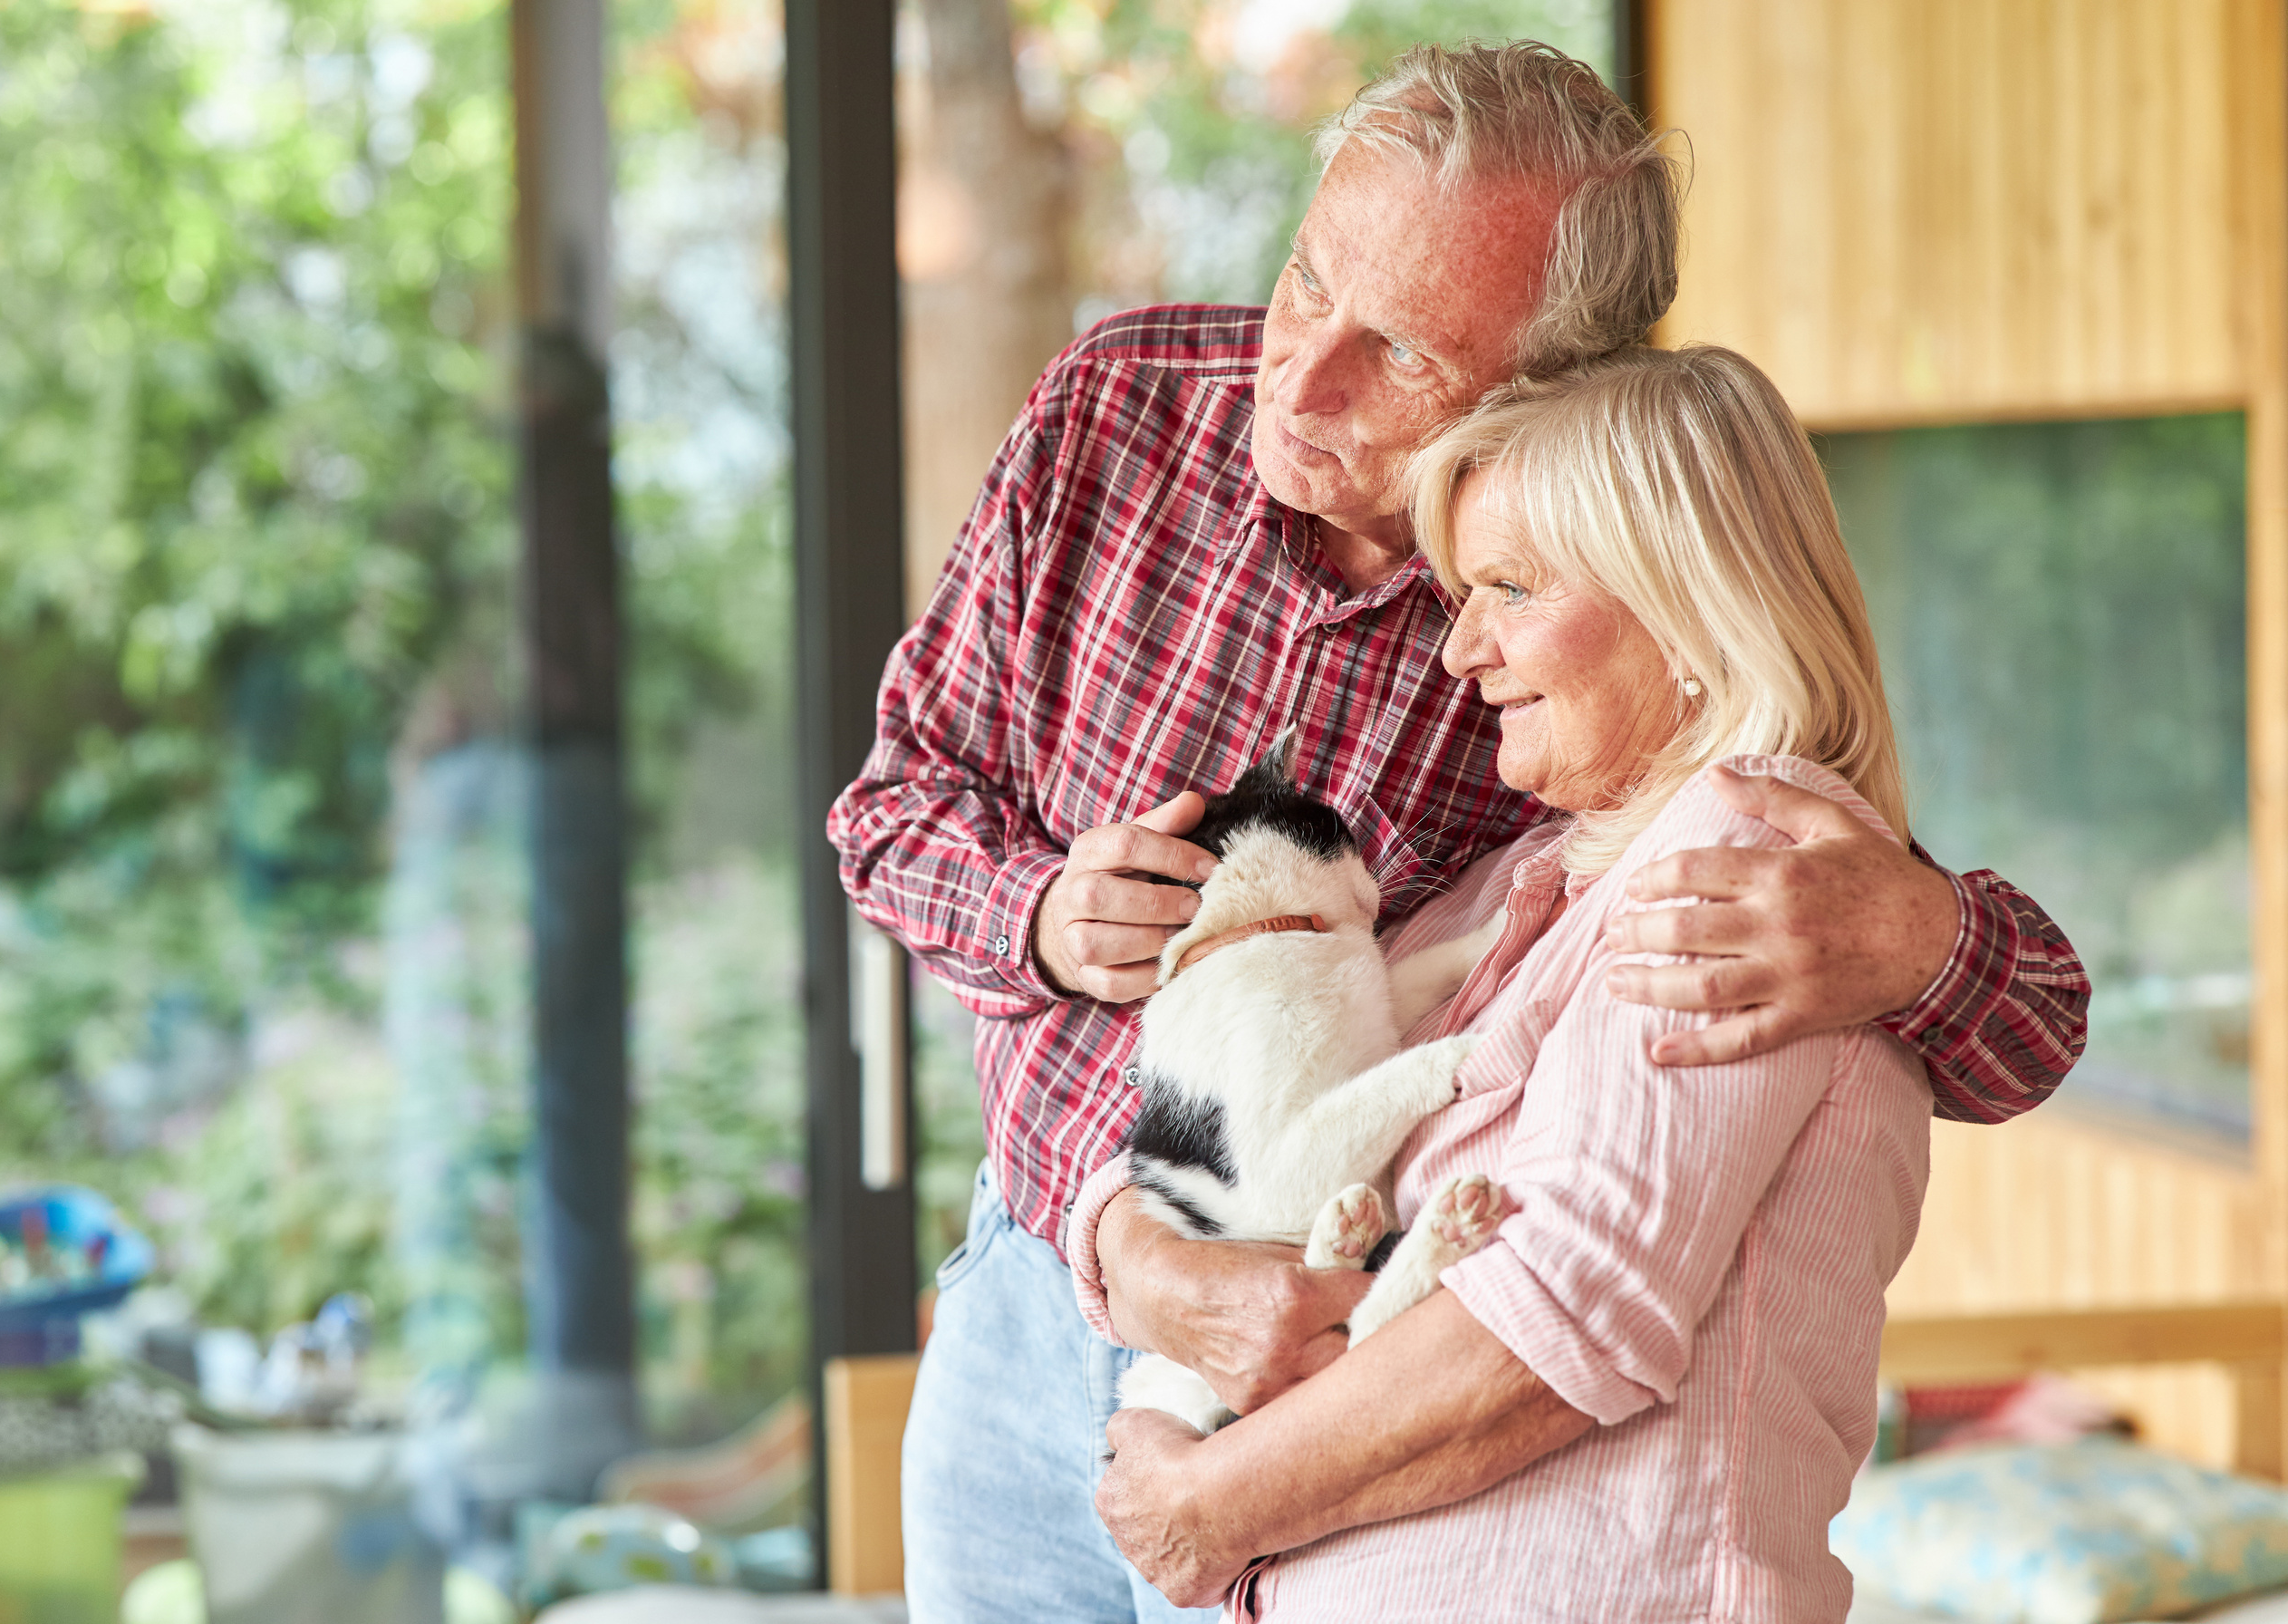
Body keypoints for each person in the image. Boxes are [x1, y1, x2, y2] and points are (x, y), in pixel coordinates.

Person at [827, 43, 2089, 1624]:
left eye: (1401, 351)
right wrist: (1035, 926)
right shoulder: (1119, 408)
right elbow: (890, 809)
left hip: (1326, 1368)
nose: (1299, 379)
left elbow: (1978, 1016)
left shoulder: (1591, 606)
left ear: (1552, 386)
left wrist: (1915, 934)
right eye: (1303, 286)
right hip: (1041, 1282)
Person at [1084, 341, 1950, 1621]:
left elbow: (1556, 1327)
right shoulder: (1518, 886)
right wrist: (1132, 1249)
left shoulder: (1751, 875)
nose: (1459, 651)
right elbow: (1243, 1127)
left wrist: (1199, 1506)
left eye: (1509, 588)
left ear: (1690, 604)